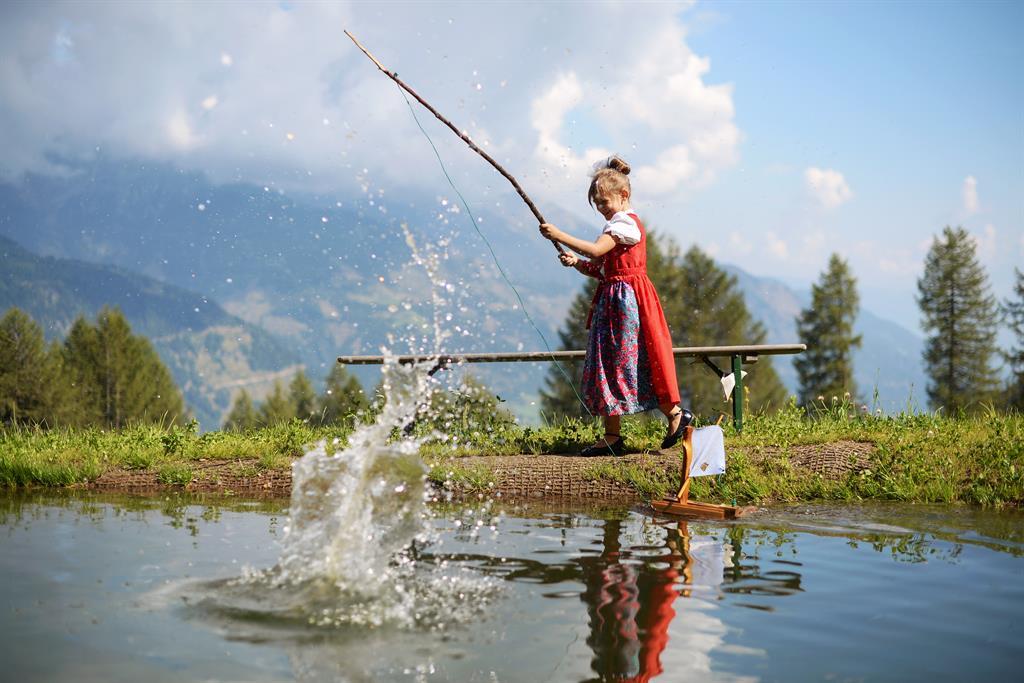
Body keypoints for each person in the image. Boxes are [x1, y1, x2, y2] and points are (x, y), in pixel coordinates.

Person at [540, 156, 692, 456]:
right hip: (614, 303)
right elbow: (603, 268)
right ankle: (613, 435)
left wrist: (559, 235)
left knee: (632, 361)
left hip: (626, 305)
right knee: (611, 364)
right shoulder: (617, 225)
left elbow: (597, 251)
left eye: (604, 201)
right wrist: (577, 263)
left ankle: (675, 414)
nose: (601, 207)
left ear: (623, 195)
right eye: (596, 203)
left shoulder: (625, 224)